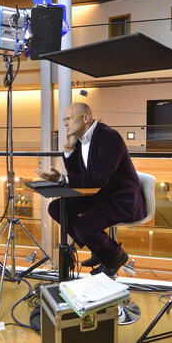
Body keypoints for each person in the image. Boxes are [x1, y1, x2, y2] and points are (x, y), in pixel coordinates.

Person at [35, 103, 144, 277]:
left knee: (82, 226)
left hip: (120, 199)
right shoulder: (80, 140)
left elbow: (99, 178)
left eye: (69, 119)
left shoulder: (109, 137)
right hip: (98, 194)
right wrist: (69, 149)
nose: (65, 124)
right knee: (55, 208)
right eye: (64, 120)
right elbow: (78, 177)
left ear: (86, 118)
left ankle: (115, 255)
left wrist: (61, 179)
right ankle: (99, 249)